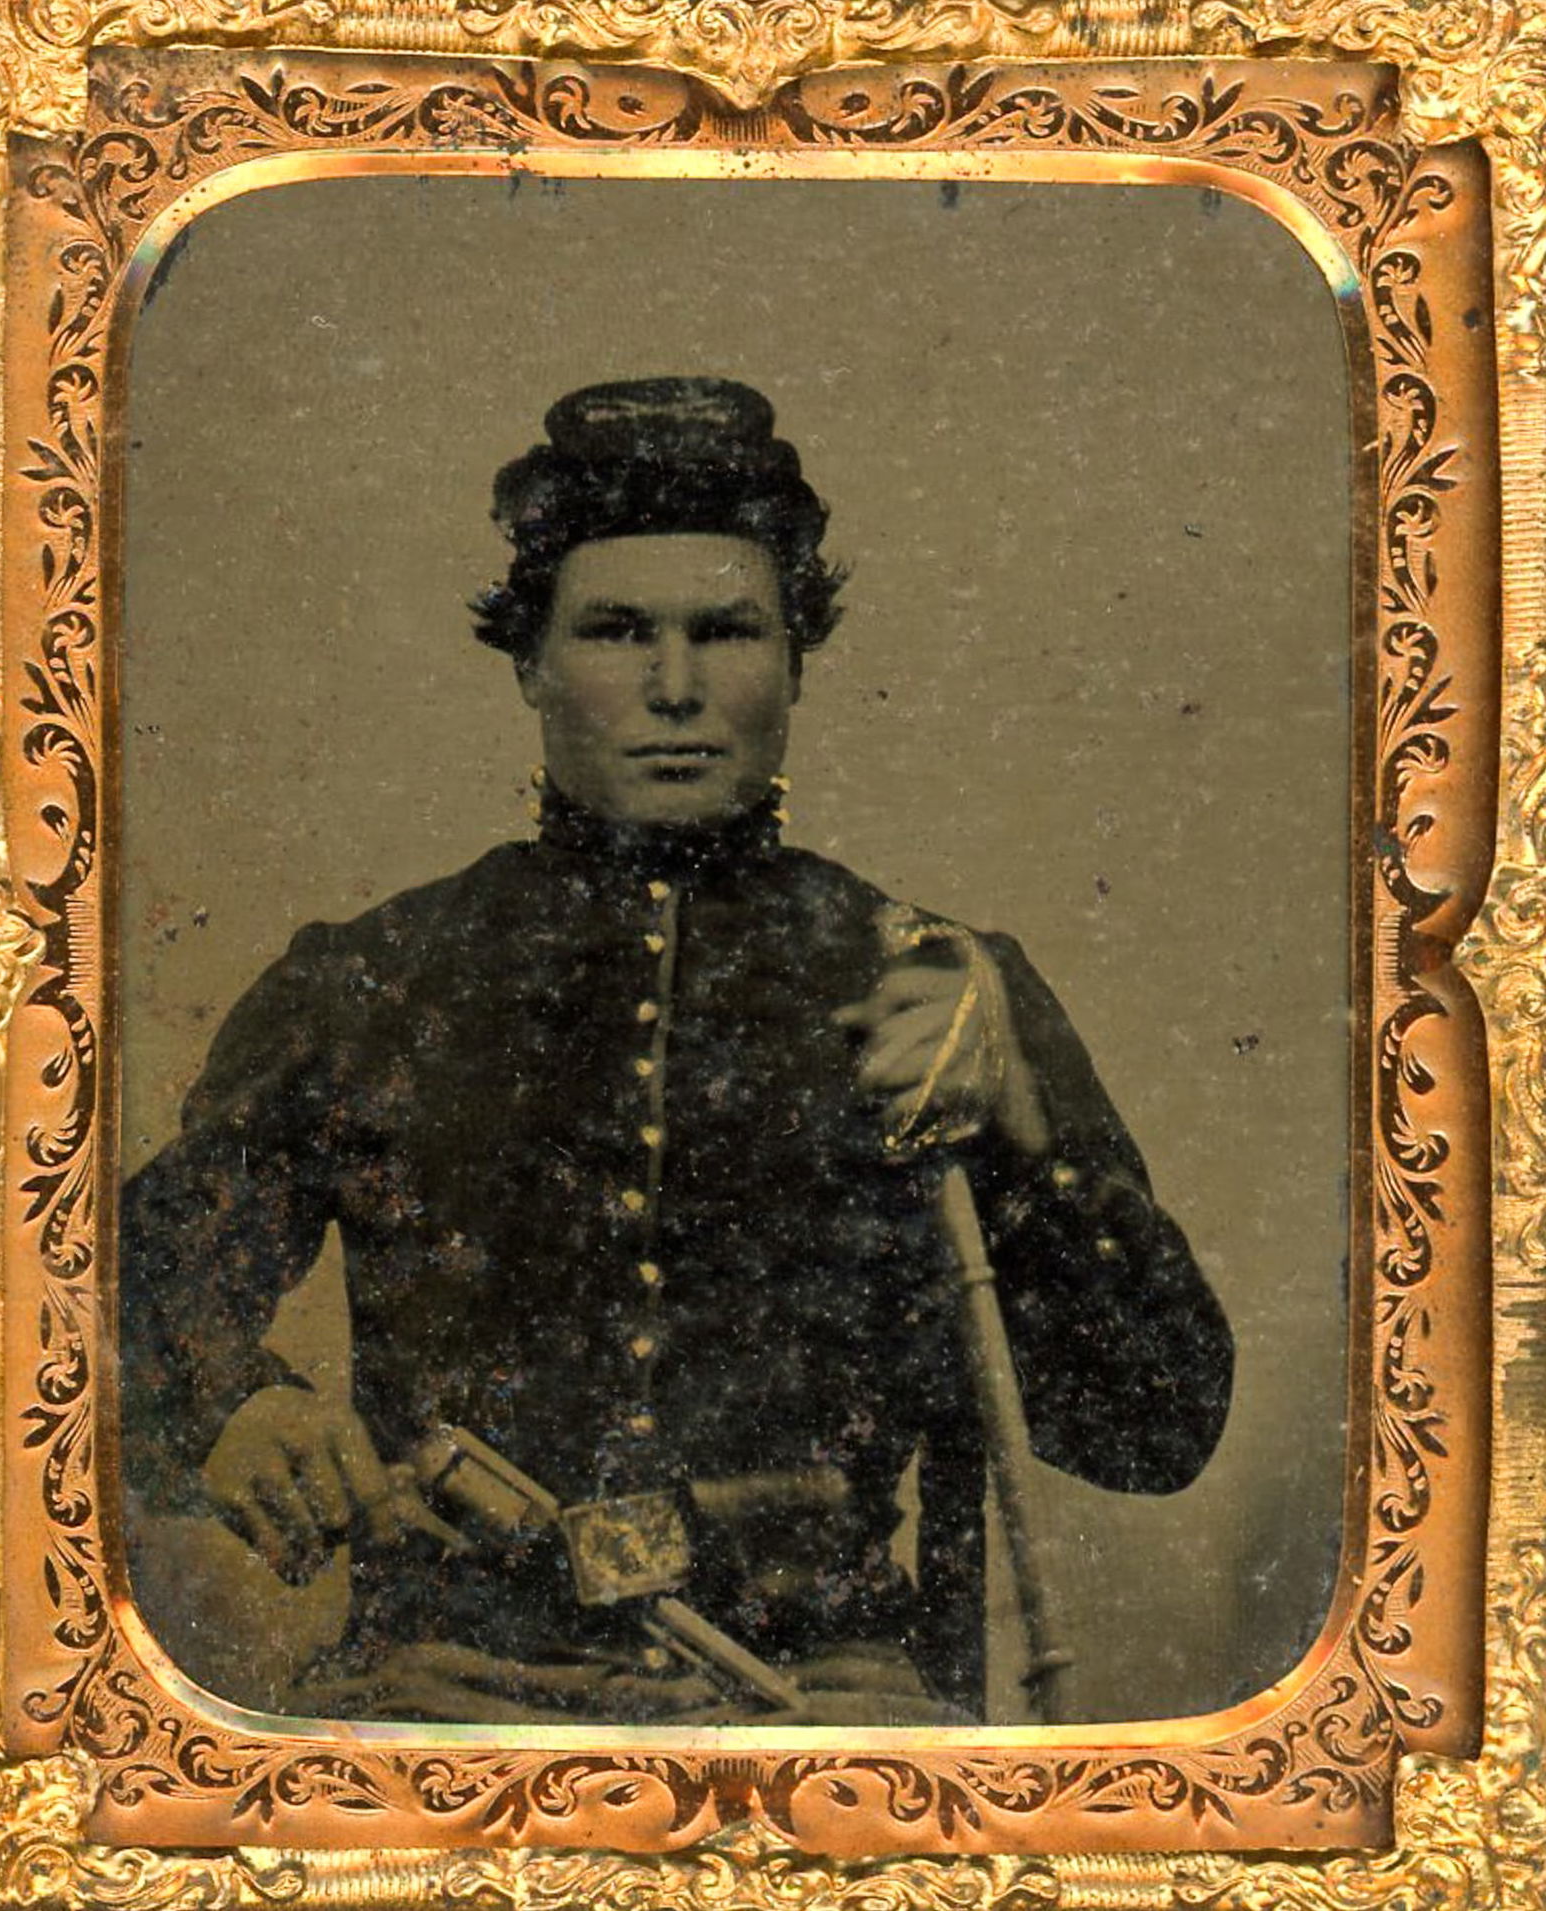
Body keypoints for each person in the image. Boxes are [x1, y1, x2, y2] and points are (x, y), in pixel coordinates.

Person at [121, 378, 1233, 1726]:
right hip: (449, 1701)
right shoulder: (372, 982)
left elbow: (1153, 1430)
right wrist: (229, 1402)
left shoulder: (933, 977)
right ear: (530, 661)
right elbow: (95, 1296)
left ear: (796, 661)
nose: (673, 689)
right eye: (613, 631)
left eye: (726, 631)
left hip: (828, 1709)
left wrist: (1023, 1127)